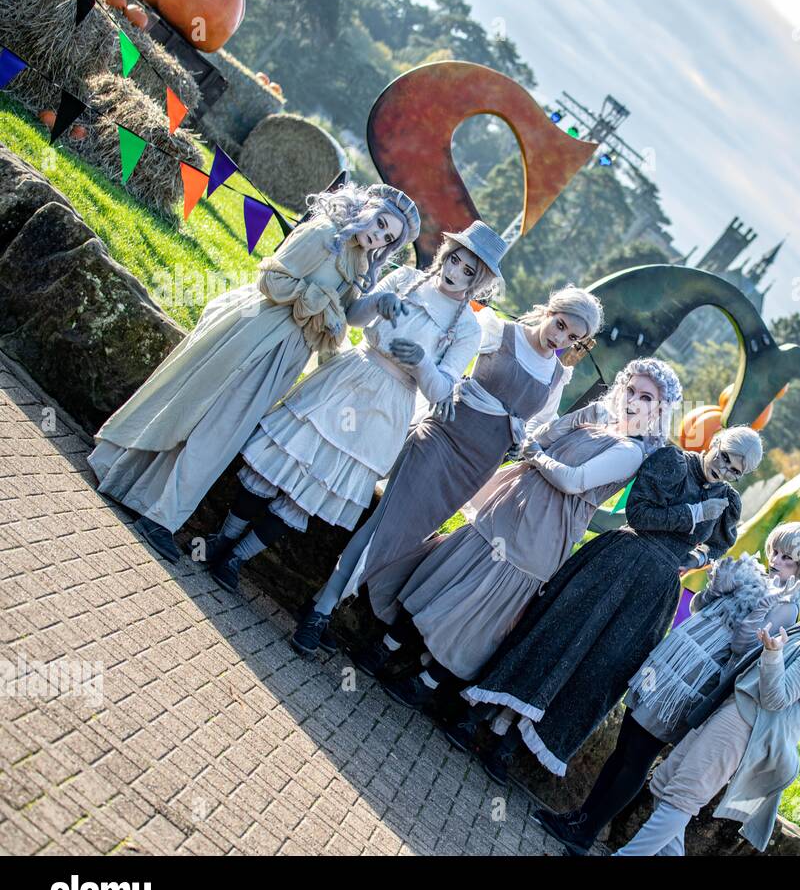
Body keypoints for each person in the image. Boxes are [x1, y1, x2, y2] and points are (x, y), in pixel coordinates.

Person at [88, 183, 419, 562]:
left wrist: (371, 303)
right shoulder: (325, 233)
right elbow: (272, 279)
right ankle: (136, 491)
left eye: (387, 237)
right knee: (197, 408)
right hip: (257, 332)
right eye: (380, 223)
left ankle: (158, 513)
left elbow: (346, 315)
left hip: (288, 353)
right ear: (367, 207)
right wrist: (322, 303)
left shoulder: (359, 258)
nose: (378, 236)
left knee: (225, 432)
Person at [286, 283, 605, 653]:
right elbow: (445, 363)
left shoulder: (556, 376)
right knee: (385, 527)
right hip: (440, 440)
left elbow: (536, 427)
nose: (560, 338)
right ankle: (319, 611)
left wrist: (526, 438)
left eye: (573, 337)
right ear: (550, 311)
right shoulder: (497, 330)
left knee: (405, 539)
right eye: (561, 325)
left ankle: (325, 603)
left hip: (476, 467)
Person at [201, 222, 503, 609]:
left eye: (467, 271)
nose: (455, 272)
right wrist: (377, 303)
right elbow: (353, 318)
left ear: (478, 282)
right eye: (455, 260)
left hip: (388, 406)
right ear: (445, 254)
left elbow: (442, 390)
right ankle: (221, 539)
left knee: (314, 487)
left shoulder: (466, 328)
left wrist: (423, 363)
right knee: (281, 458)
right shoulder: (408, 278)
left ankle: (238, 557)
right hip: (350, 375)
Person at [356, 359, 683, 709]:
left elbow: (574, 481)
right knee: (450, 574)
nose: (633, 400)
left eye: (646, 397)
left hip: (544, 531)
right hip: (513, 503)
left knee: (482, 607)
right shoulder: (599, 419)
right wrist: (571, 422)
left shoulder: (632, 452)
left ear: (660, 409)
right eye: (631, 389)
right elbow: (541, 436)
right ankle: (385, 647)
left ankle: (426, 682)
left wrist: (539, 457)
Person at [451, 426, 765, 785]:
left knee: (597, 667)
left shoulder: (727, 502)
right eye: (725, 458)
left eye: (736, 471)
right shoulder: (671, 461)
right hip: (617, 561)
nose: (725, 471)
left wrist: (695, 559)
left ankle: (509, 745)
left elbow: (720, 545)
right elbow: (640, 514)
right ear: (716, 443)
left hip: (654, 592)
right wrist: (693, 513)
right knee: (556, 632)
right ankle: (478, 715)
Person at [533, 521, 800, 854]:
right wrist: (719, 587)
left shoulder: (786, 605)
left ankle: (587, 833)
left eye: (789, 558)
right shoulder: (755, 575)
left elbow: (746, 649)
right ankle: (580, 818)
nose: (777, 559)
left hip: (693, 682)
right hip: (672, 664)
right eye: (776, 550)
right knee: (625, 745)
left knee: (638, 757)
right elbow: (700, 606)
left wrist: (756, 605)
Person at [613, 548, 800, 855]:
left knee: (681, 796)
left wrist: (773, 654)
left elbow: (777, 698)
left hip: (747, 724)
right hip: (733, 710)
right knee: (666, 783)